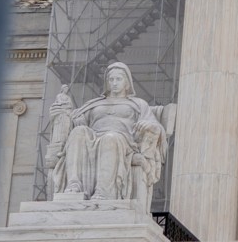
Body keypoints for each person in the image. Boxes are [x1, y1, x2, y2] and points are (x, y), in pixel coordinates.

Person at [43, 62, 168, 201]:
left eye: (118, 79)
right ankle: (74, 184)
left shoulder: (138, 104)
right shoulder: (94, 104)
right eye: (111, 79)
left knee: (110, 138)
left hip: (123, 140)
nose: (114, 83)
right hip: (94, 136)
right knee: (78, 132)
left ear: (127, 83)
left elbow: (156, 127)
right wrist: (60, 113)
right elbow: (74, 122)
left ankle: (104, 192)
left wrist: (148, 124)